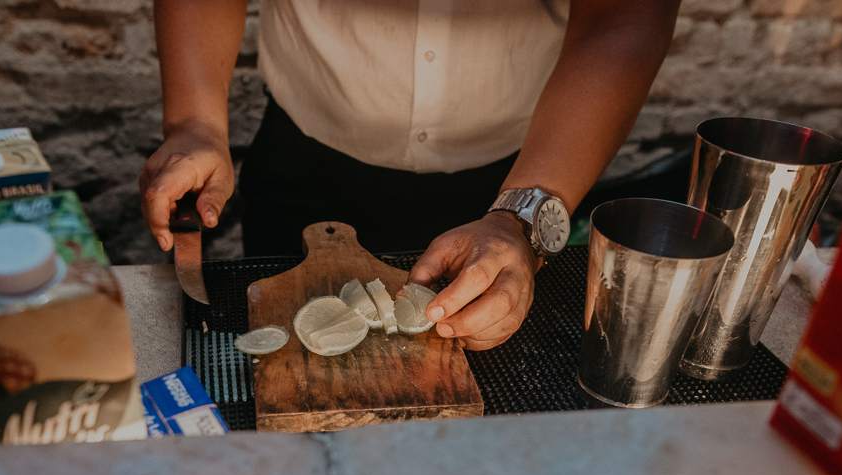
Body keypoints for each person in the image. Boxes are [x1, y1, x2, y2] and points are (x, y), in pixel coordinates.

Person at [141, 0, 680, 350]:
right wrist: (193, 122)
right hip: (301, 166)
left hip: (515, 183)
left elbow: (625, 13)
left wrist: (521, 217)